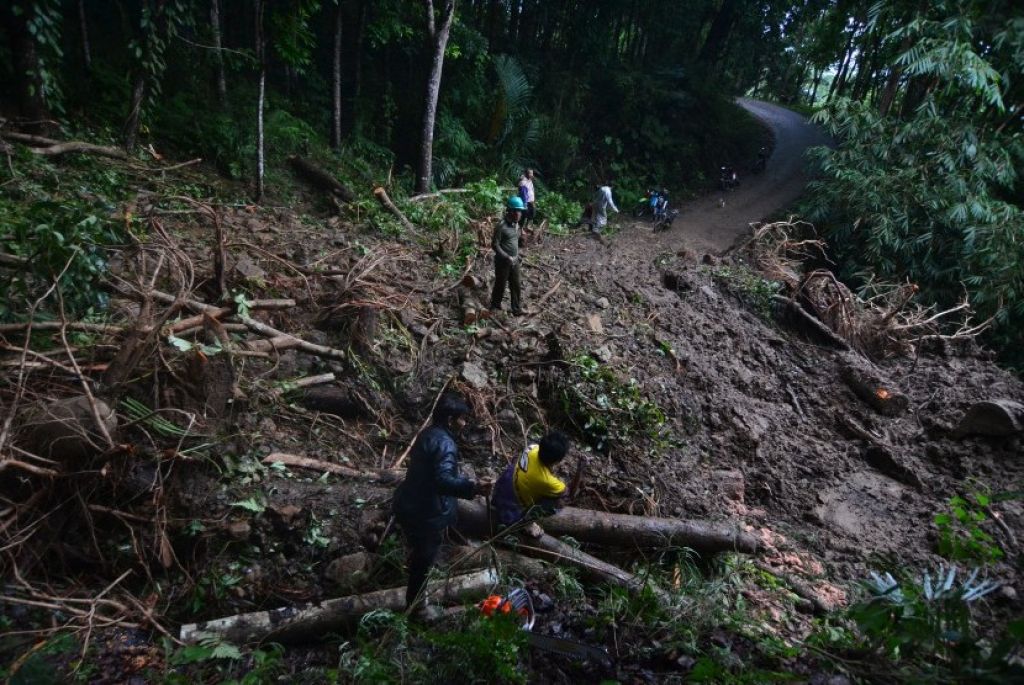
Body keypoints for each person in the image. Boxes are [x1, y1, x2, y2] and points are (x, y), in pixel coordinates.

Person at [393, 393, 492, 611]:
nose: (464, 423)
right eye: (461, 419)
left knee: (420, 553)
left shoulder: (428, 434)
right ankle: (417, 609)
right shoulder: (445, 444)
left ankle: (415, 576)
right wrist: (473, 487)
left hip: (409, 501)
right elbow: (442, 481)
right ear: (450, 419)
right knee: (423, 562)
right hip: (426, 513)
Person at [492, 431, 572, 526]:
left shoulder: (533, 448)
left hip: (501, 487)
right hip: (509, 508)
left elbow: (516, 459)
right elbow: (566, 492)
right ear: (557, 460)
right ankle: (525, 522)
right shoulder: (546, 480)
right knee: (559, 501)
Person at [491, 196, 525, 316]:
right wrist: (506, 256)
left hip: (514, 261)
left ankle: (516, 309)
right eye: (517, 211)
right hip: (503, 261)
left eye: (520, 211)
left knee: (516, 284)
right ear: (510, 211)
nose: (519, 213)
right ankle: (495, 305)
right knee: (500, 283)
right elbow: (494, 245)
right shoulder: (501, 226)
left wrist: (521, 242)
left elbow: (516, 241)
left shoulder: (517, 225)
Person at [517, 168, 536, 236]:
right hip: (525, 202)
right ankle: (521, 229)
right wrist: (524, 203)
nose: (532, 175)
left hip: (531, 201)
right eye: (530, 173)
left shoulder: (530, 181)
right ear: (526, 174)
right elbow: (523, 194)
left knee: (532, 213)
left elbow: (532, 191)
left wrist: (534, 200)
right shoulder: (523, 182)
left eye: (532, 173)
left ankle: (527, 226)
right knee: (524, 215)